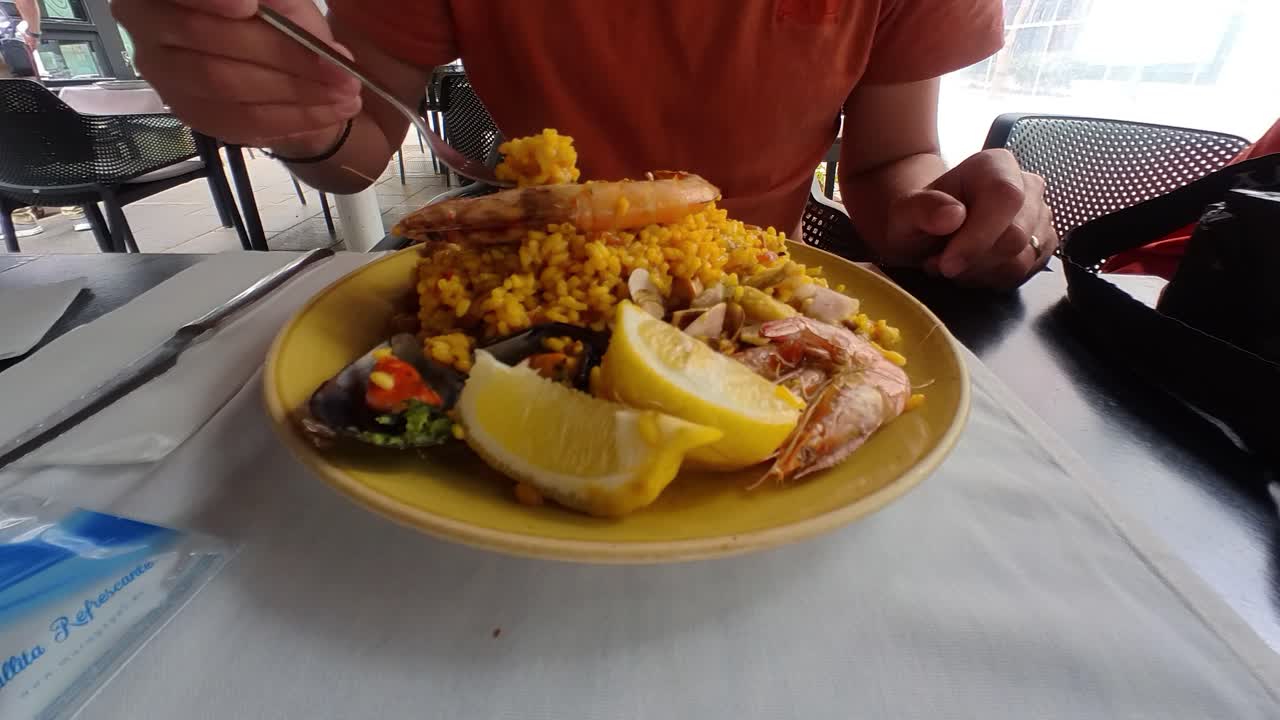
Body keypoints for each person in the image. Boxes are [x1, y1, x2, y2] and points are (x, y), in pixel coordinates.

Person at [115, 0, 1057, 290]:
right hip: (523, 282)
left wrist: (948, 212)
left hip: (764, 286)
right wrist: (298, 113)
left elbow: (894, 163)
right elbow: (359, 147)